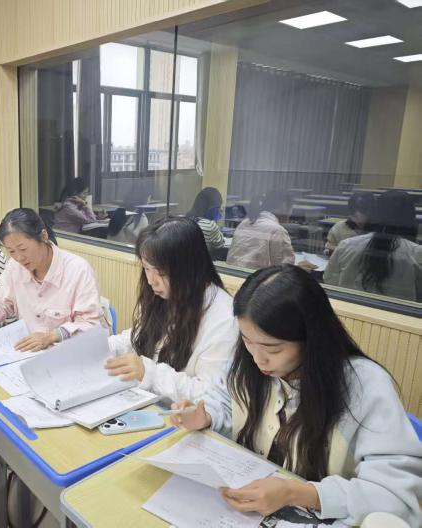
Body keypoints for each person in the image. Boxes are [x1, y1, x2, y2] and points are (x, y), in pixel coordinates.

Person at [170, 265, 422, 526]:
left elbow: (394, 494)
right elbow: (227, 401)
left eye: (273, 349)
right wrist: (206, 416)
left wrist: (296, 493)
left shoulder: (364, 385)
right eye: (247, 340)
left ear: (311, 338)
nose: (258, 359)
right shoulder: (249, 359)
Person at [104, 217, 237, 404]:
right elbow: (139, 338)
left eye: (161, 272)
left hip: (180, 416)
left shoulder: (224, 319)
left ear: (188, 268)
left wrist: (150, 374)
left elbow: (212, 398)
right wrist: (102, 347)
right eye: (146, 268)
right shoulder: (163, 296)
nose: (151, 281)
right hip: (149, 404)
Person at [0, 207, 106, 352]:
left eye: (23, 249)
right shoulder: (15, 267)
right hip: (27, 353)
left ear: (43, 236)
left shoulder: (77, 270)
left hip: (66, 355)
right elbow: (0, 304)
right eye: (11, 251)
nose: (19, 258)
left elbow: (90, 325)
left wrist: (51, 336)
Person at [324, 190, 421, 302]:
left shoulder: (346, 245)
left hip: (349, 307)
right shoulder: (416, 253)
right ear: (411, 218)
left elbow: (329, 280)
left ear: (375, 214)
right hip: (397, 312)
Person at [226, 190, 295, 269]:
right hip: (253, 275)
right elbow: (285, 268)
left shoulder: (245, 222)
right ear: (284, 206)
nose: (291, 213)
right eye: (291, 208)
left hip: (231, 273)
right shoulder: (277, 230)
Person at [185, 187, 225, 253]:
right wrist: (215, 224)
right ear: (212, 208)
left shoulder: (186, 219)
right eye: (218, 207)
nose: (221, 209)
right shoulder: (209, 225)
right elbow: (220, 244)